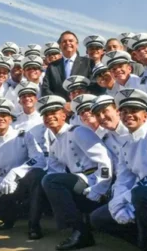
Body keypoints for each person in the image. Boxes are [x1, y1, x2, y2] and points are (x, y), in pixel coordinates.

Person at [90, 88, 147, 250]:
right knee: (99, 217)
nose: (128, 115)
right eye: (124, 112)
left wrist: (126, 198)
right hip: (141, 196)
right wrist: (117, 204)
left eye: (134, 111)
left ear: (145, 115)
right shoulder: (127, 145)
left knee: (142, 196)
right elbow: (123, 180)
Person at [40, 95, 113, 250]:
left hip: (96, 183)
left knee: (51, 182)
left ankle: (80, 232)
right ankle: (77, 227)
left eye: (54, 112)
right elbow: (54, 171)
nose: (49, 117)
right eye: (45, 114)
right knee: (48, 180)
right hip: (81, 183)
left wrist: (100, 188)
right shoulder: (54, 143)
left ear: (64, 115)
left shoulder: (78, 131)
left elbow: (105, 161)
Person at [0, 98, 46, 239]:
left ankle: (33, 225)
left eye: (4, 116)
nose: (0, 119)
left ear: (10, 119)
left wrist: (15, 173)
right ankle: (11, 216)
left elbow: (38, 159)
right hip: (3, 186)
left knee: (38, 175)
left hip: (24, 181)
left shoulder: (24, 136)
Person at [41, 31, 94, 98]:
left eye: (70, 41)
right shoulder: (52, 66)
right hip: (60, 107)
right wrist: (61, 104)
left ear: (77, 44)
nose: (67, 43)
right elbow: (46, 89)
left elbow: (93, 86)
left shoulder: (88, 63)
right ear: (60, 46)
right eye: (64, 41)